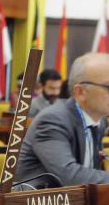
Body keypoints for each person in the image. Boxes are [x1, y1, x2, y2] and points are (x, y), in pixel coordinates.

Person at [17, 53, 109, 188]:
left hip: (77, 202)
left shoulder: (99, 121)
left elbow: (90, 172)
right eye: (107, 87)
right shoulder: (53, 119)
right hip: (36, 202)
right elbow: (69, 176)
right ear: (81, 92)